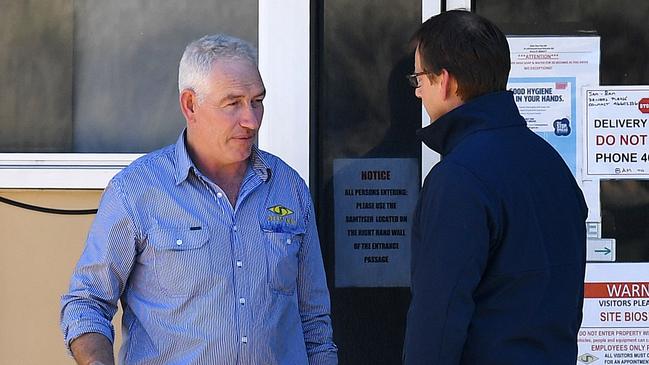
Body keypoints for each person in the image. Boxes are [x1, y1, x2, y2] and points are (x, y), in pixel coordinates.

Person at [60, 34, 338, 365]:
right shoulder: (136, 191)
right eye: (233, 103)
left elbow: (315, 325)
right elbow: (86, 303)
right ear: (190, 105)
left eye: (257, 101)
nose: (251, 120)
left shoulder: (288, 189)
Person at [403, 10, 587, 364]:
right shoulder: (553, 167)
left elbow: (437, 320)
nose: (418, 93)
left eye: (419, 79)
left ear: (445, 81)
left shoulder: (458, 178)